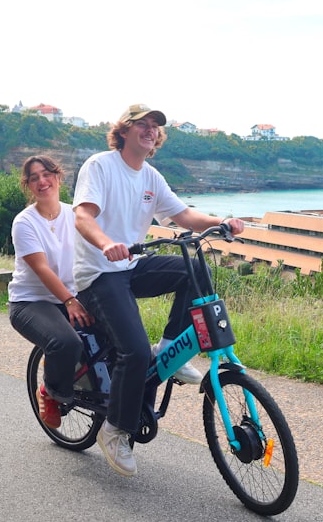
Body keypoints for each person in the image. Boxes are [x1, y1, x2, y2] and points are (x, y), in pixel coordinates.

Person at [73, 103, 245, 477]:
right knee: (132, 351)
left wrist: (222, 223)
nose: (150, 131)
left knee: (193, 267)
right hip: (99, 272)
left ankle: (170, 350)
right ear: (124, 130)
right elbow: (83, 215)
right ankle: (114, 429)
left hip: (131, 266)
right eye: (143, 125)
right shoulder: (100, 166)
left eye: (155, 127)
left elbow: (184, 216)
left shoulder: (151, 176)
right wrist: (105, 243)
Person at [8, 155, 93, 429]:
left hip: (70, 297)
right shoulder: (25, 222)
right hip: (31, 302)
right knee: (66, 343)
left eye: (46, 174)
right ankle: (51, 392)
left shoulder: (74, 214)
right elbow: (42, 269)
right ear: (29, 186)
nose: (42, 181)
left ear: (58, 177)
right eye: (34, 178)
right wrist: (69, 300)